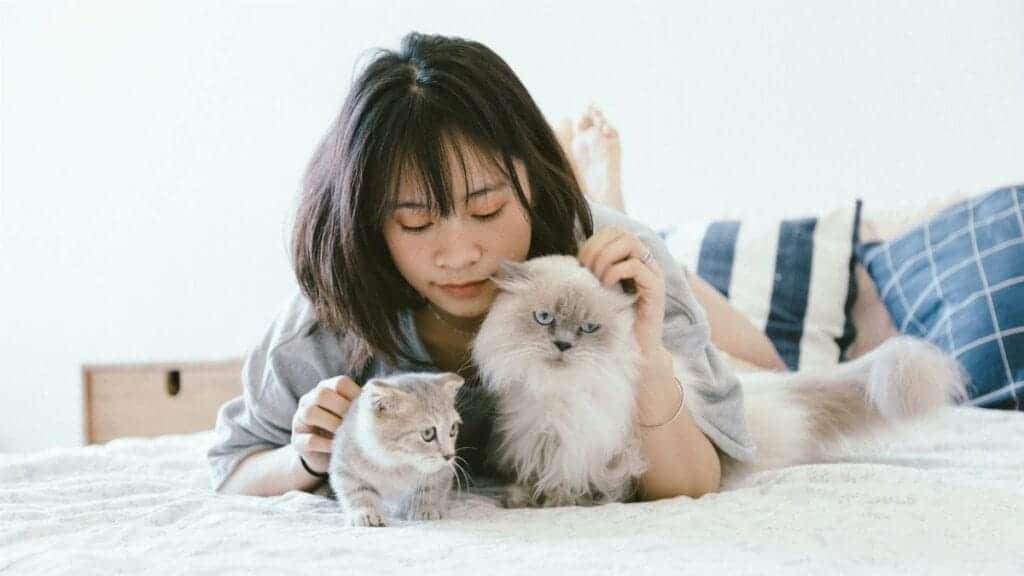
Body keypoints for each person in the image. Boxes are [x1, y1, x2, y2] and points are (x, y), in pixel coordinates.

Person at [209, 32, 777, 500]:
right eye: (414, 222)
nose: (459, 255)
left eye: (488, 208)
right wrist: (303, 458)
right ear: (368, 224)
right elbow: (235, 470)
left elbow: (695, 482)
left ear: (533, 176)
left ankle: (609, 200)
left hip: (585, 253)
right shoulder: (327, 316)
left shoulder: (621, 266)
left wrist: (646, 354)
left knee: (768, 371)